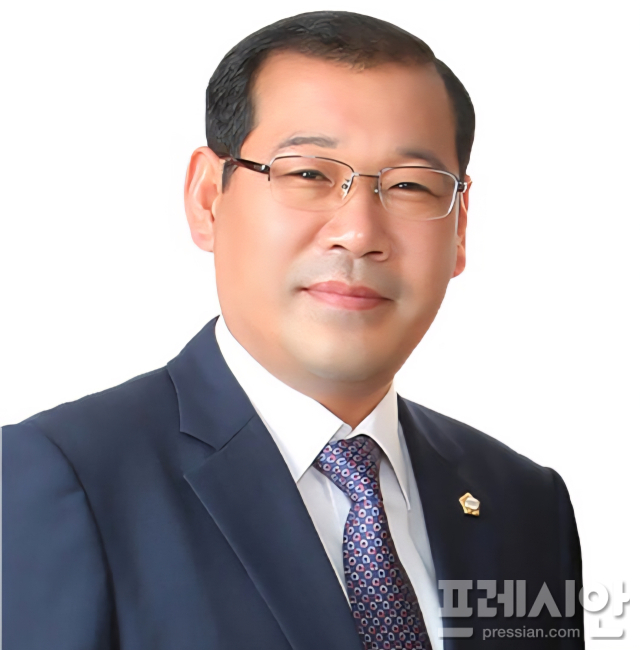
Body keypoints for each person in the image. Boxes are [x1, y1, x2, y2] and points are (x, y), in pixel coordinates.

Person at [2, 10, 584, 650]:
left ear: (461, 226)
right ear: (207, 198)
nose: (359, 232)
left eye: (410, 186)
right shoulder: (60, 479)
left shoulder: (525, 504)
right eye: (309, 174)